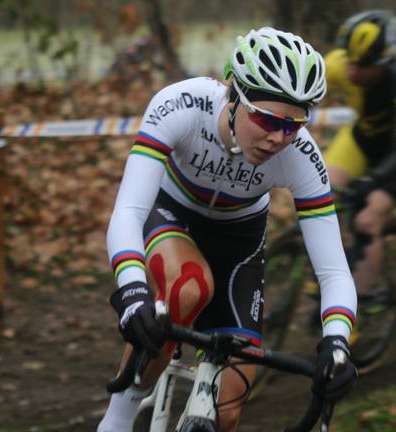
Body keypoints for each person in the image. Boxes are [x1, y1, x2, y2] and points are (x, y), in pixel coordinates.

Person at [98, 27, 358, 432]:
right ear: (234, 94)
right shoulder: (182, 105)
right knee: (190, 286)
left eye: (293, 125)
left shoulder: (302, 156)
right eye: (266, 119)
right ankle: (118, 419)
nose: (277, 138)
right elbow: (129, 210)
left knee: (228, 411)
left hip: (239, 242)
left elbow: (334, 270)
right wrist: (133, 293)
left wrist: (338, 343)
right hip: (172, 215)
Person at [322, 10, 396, 294]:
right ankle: (327, 262)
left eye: (363, 66)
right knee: (320, 190)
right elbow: (297, 84)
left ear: (384, 62)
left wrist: (372, 181)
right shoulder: (338, 64)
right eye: (351, 62)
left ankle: (354, 308)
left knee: (367, 221)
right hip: (364, 138)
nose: (352, 72)